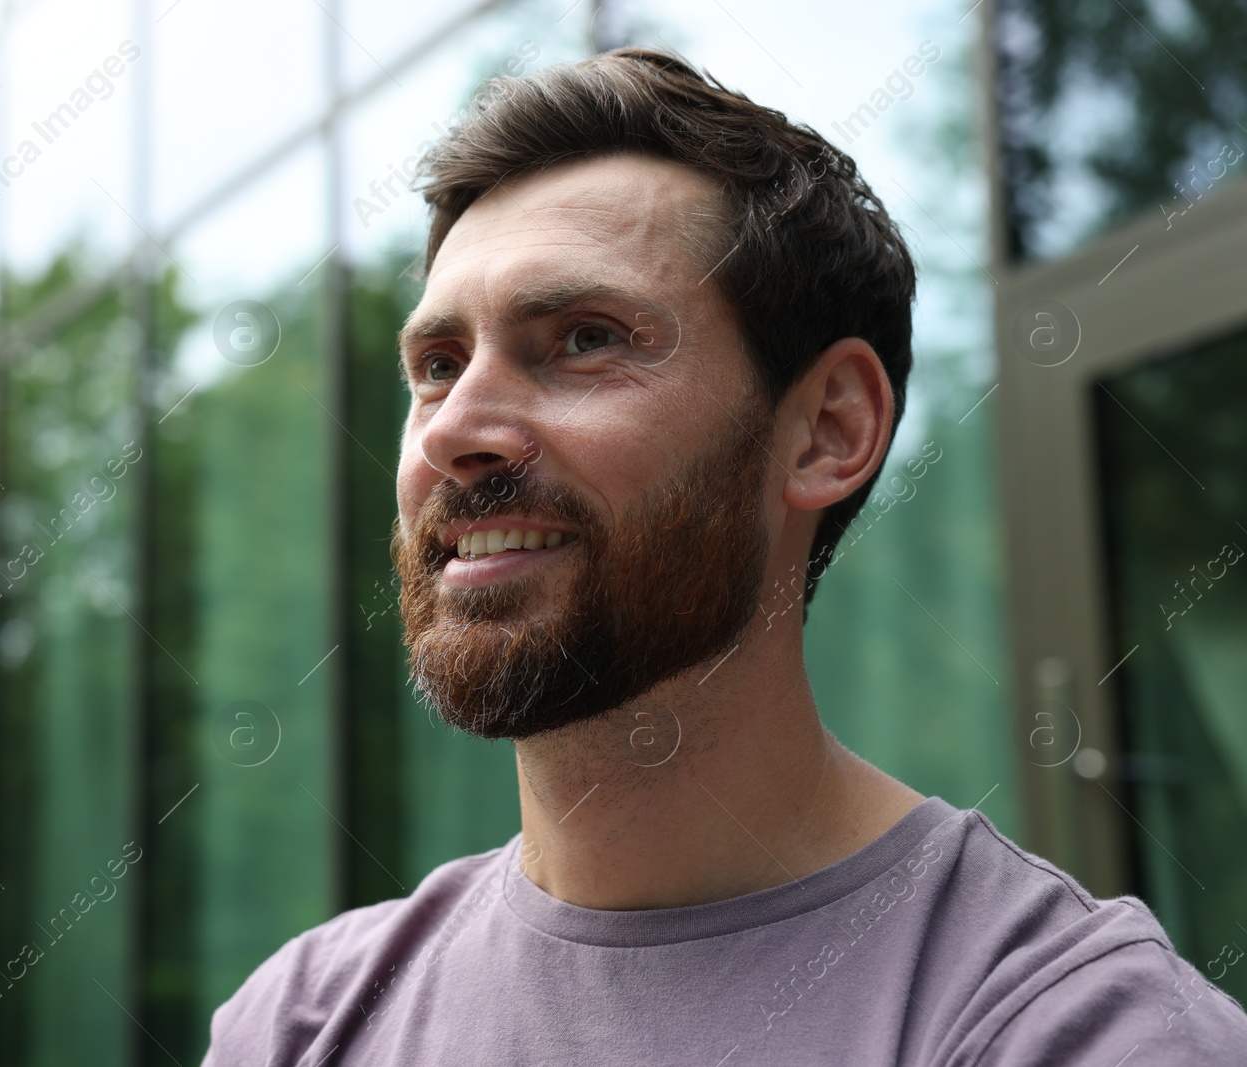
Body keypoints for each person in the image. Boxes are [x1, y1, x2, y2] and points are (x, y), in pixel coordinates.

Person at [201, 47, 1247, 1064]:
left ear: (826, 429)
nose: (450, 429)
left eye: (582, 339)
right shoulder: (303, 1021)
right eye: (436, 364)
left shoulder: (1069, 1025)